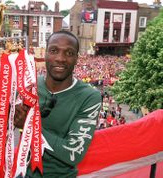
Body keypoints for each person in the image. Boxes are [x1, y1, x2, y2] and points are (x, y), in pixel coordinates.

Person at [14, 31, 102, 177]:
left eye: (69, 53)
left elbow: (73, 153)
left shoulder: (89, 97)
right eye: (54, 51)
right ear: (45, 54)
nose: (61, 58)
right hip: (22, 173)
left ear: (76, 59)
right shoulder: (29, 87)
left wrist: (30, 126)